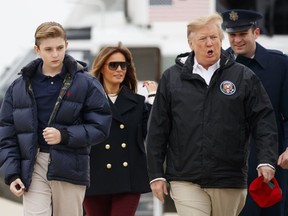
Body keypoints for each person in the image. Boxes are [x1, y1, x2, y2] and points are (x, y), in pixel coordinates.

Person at [146, 13, 279, 216]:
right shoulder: (172, 78)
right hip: (184, 178)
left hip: (229, 178)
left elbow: (264, 120)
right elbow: (158, 128)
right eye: (203, 39)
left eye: (214, 37)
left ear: (221, 40)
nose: (210, 43)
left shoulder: (243, 76)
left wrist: (266, 160)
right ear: (190, 43)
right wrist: (156, 174)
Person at [0, 21, 112, 216]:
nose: (55, 54)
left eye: (59, 48)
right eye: (48, 49)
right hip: (33, 164)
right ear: (37, 49)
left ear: (66, 46)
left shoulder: (87, 83)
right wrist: (13, 173)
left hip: (70, 164)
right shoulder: (18, 87)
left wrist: (64, 135)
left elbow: (101, 126)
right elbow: (6, 133)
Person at [222, 9, 288, 216]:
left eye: (243, 34)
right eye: (233, 35)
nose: (237, 40)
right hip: (231, 163)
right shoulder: (218, 66)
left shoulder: (280, 65)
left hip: (275, 161)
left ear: (256, 33)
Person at [83, 43, 157, 216]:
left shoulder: (138, 103)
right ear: (101, 68)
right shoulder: (87, 102)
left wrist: (153, 97)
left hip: (128, 179)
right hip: (95, 176)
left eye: (123, 65)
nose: (119, 69)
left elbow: (153, 132)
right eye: (113, 65)